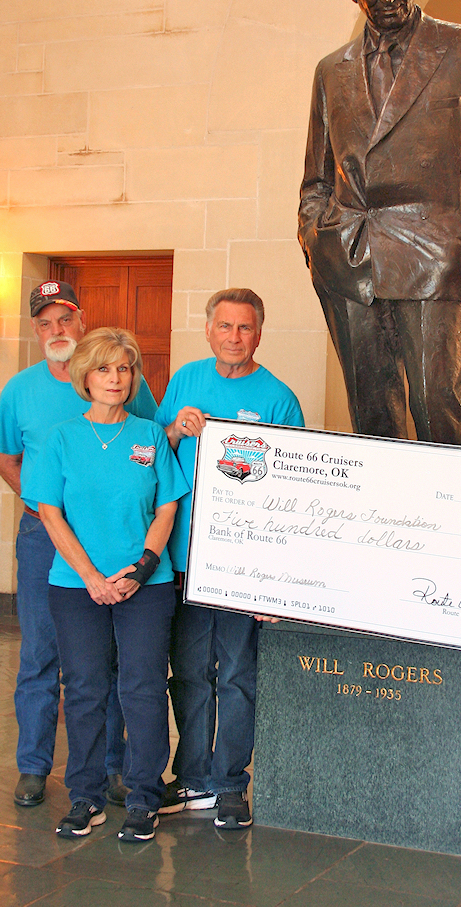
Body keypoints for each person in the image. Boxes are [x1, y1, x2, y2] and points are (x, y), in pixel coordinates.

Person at [298, 0, 461, 444]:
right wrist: (315, 237)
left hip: (433, 251)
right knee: (371, 414)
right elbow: (316, 175)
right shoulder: (331, 70)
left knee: (435, 406)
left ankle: (450, 500)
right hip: (348, 253)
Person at [26, 328, 188, 842]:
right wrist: (93, 578)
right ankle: (86, 797)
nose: (115, 378)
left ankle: (144, 798)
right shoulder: (60, 439)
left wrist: (142, 568)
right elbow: (50, 513)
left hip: (147, 585)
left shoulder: (150, 436)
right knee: (84, 691)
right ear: (85, 377)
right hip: (77, 588)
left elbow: (167, 507)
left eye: (124, 368)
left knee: (143, 690)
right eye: (104, 368)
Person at [0, 281, 157, 809]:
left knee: (102, 661)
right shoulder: (18, 390)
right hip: (42, 537)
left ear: (81, 321)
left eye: (64, 319)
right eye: (45, 322)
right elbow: (7, 458)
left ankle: (111, 769)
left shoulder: (123, 381)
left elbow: (150, 441)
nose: (56, 330)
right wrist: (47, 503)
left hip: (110, 540)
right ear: (35, 330)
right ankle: (33, 766)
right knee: (40, 654)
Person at [155, 288, 304, 828]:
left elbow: (296, 486)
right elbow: (155, 454)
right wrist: (176, 429)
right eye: (224, 326)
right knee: (190, 670)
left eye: (244, 328)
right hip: (187, 556)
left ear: (259, 333)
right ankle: (192, 774)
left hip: (245, 563)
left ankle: (230, 782)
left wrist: (276, 576)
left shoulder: (279, 398)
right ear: (208, 330)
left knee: (238, 671)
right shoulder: (184, 381)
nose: (234, 337)